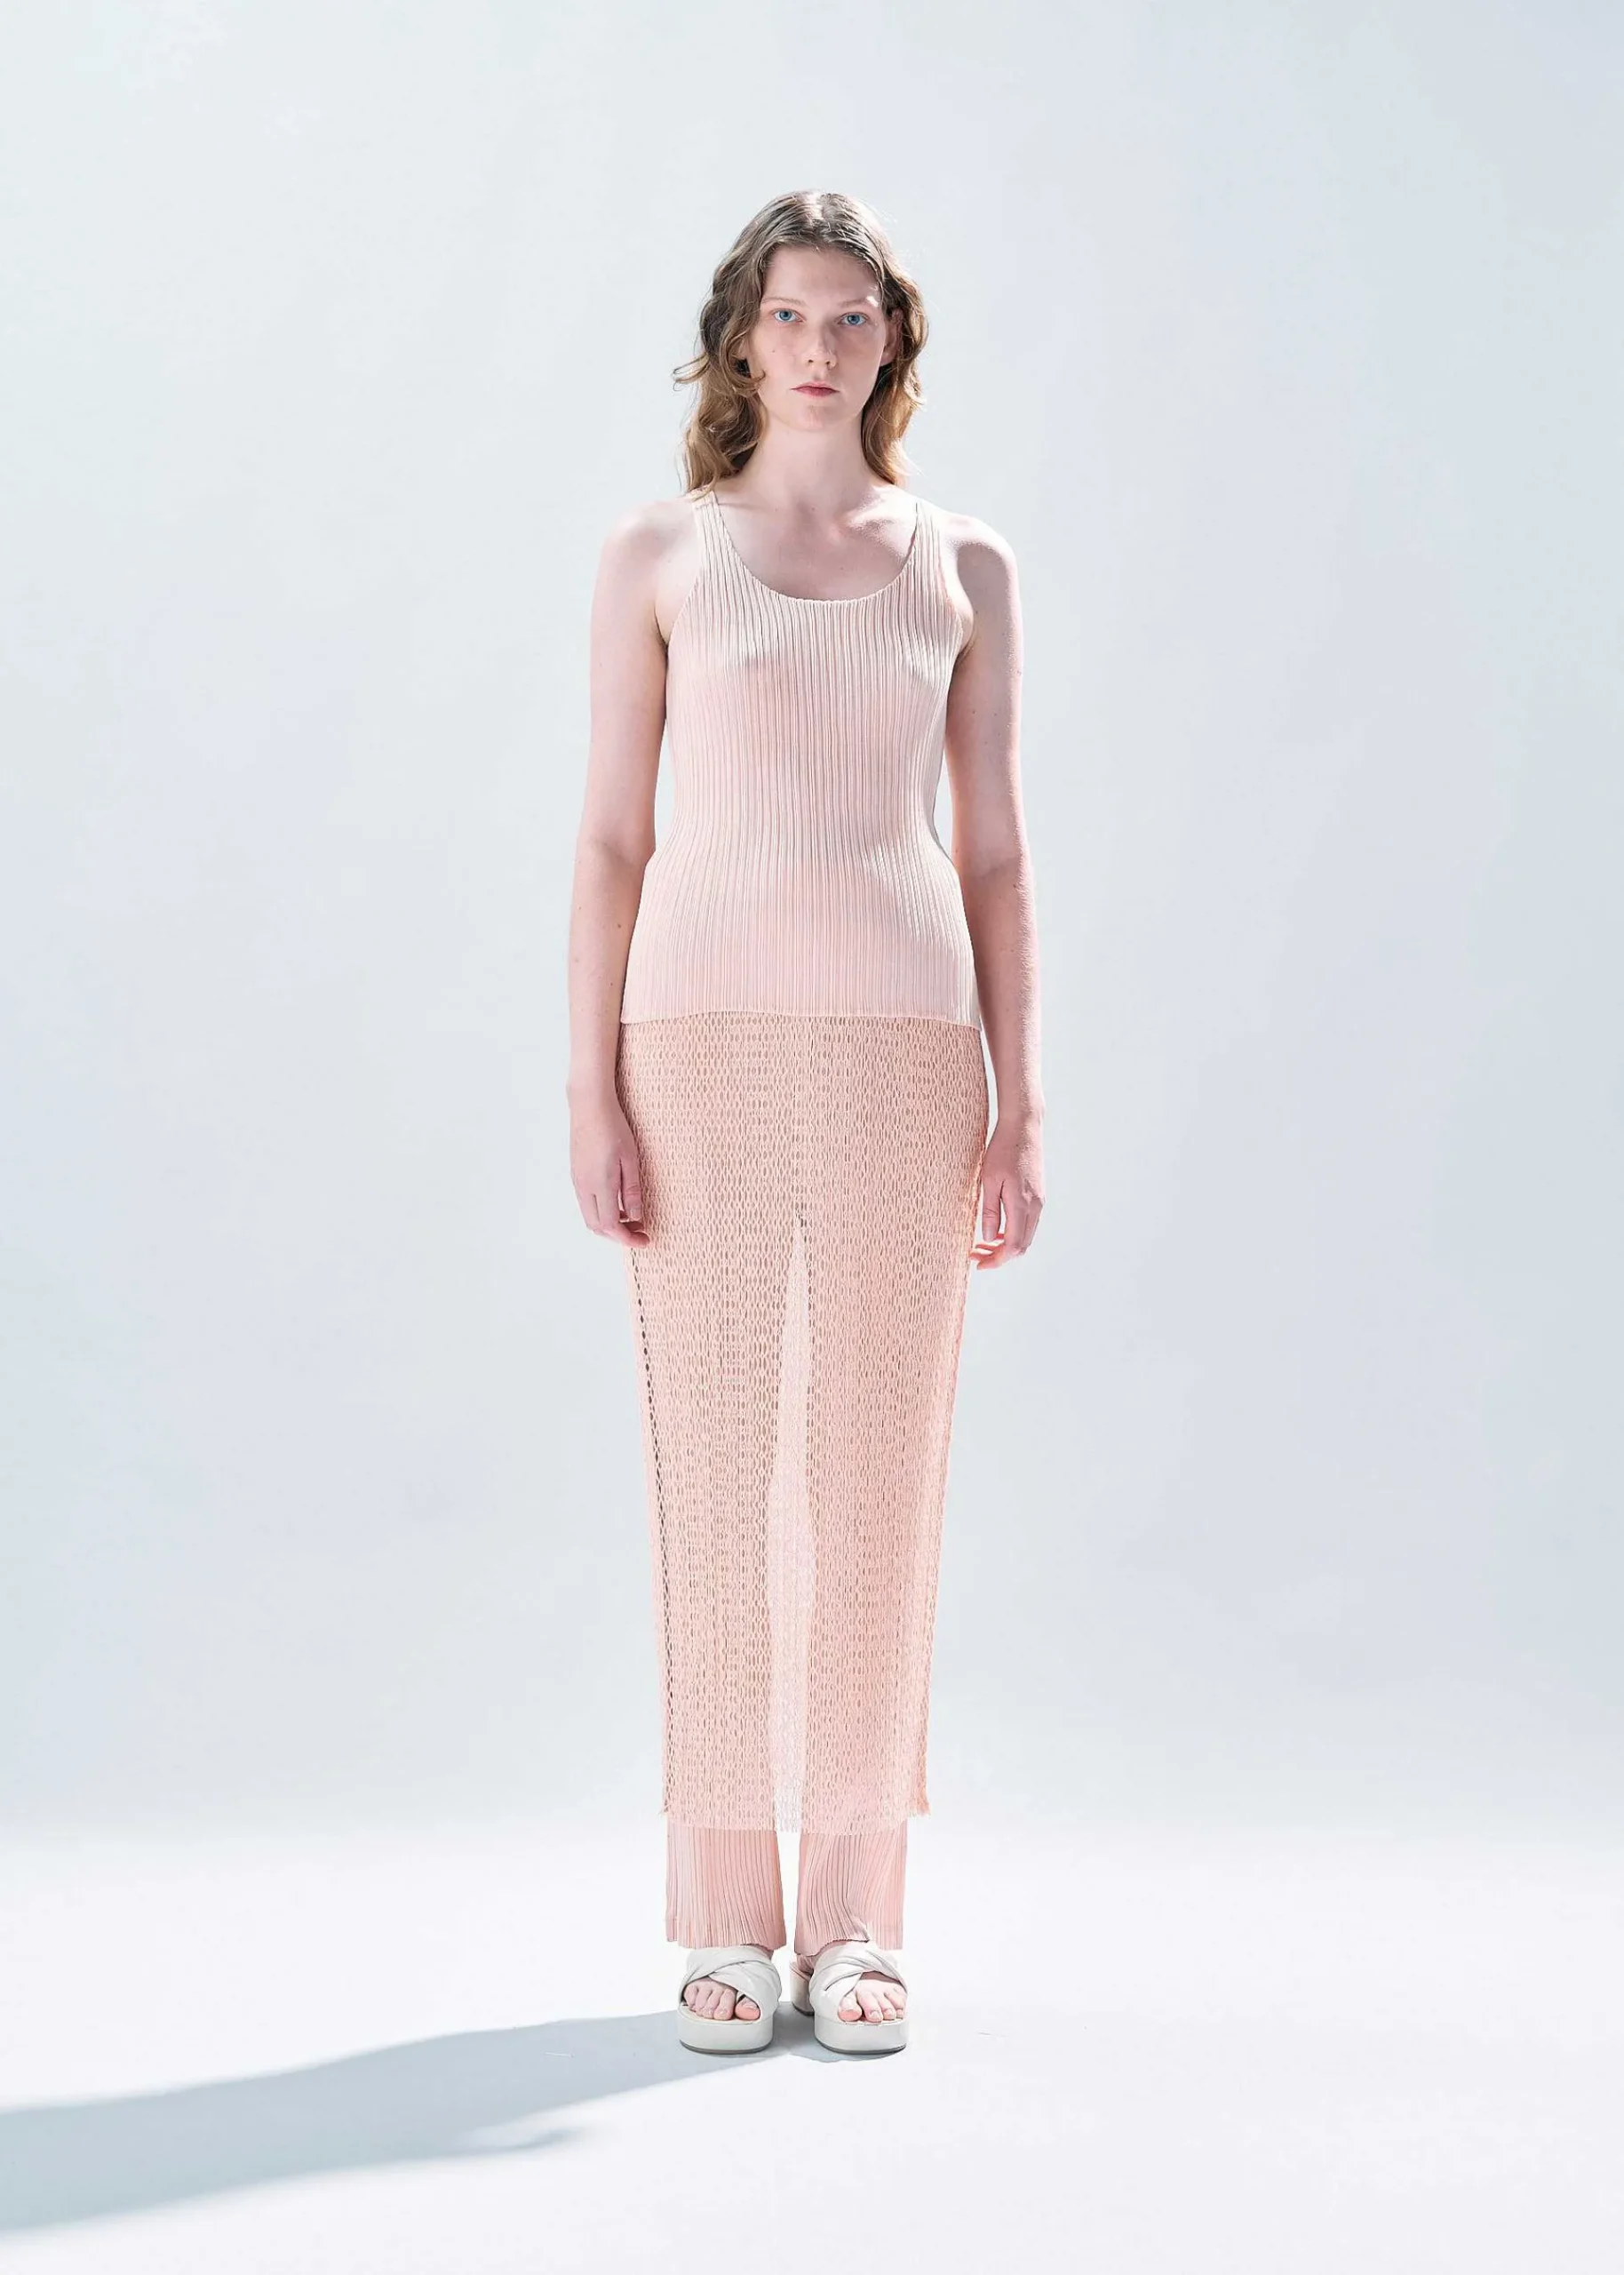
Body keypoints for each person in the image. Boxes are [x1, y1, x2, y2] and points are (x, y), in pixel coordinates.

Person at [566, 189, 1042, 2055]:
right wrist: (589, 1085)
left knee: (875, 1472)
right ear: (742, 339)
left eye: (853, 317)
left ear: (889, 339)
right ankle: (721, 1916)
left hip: (908, 1047)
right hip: (692, 1042)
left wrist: (1019, 1100)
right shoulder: (660, 553)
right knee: (711, 1476)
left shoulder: (963, 564)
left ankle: (856, 1919)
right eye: (790, 316)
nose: (821, 347)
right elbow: (613, 837)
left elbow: (993, 853)